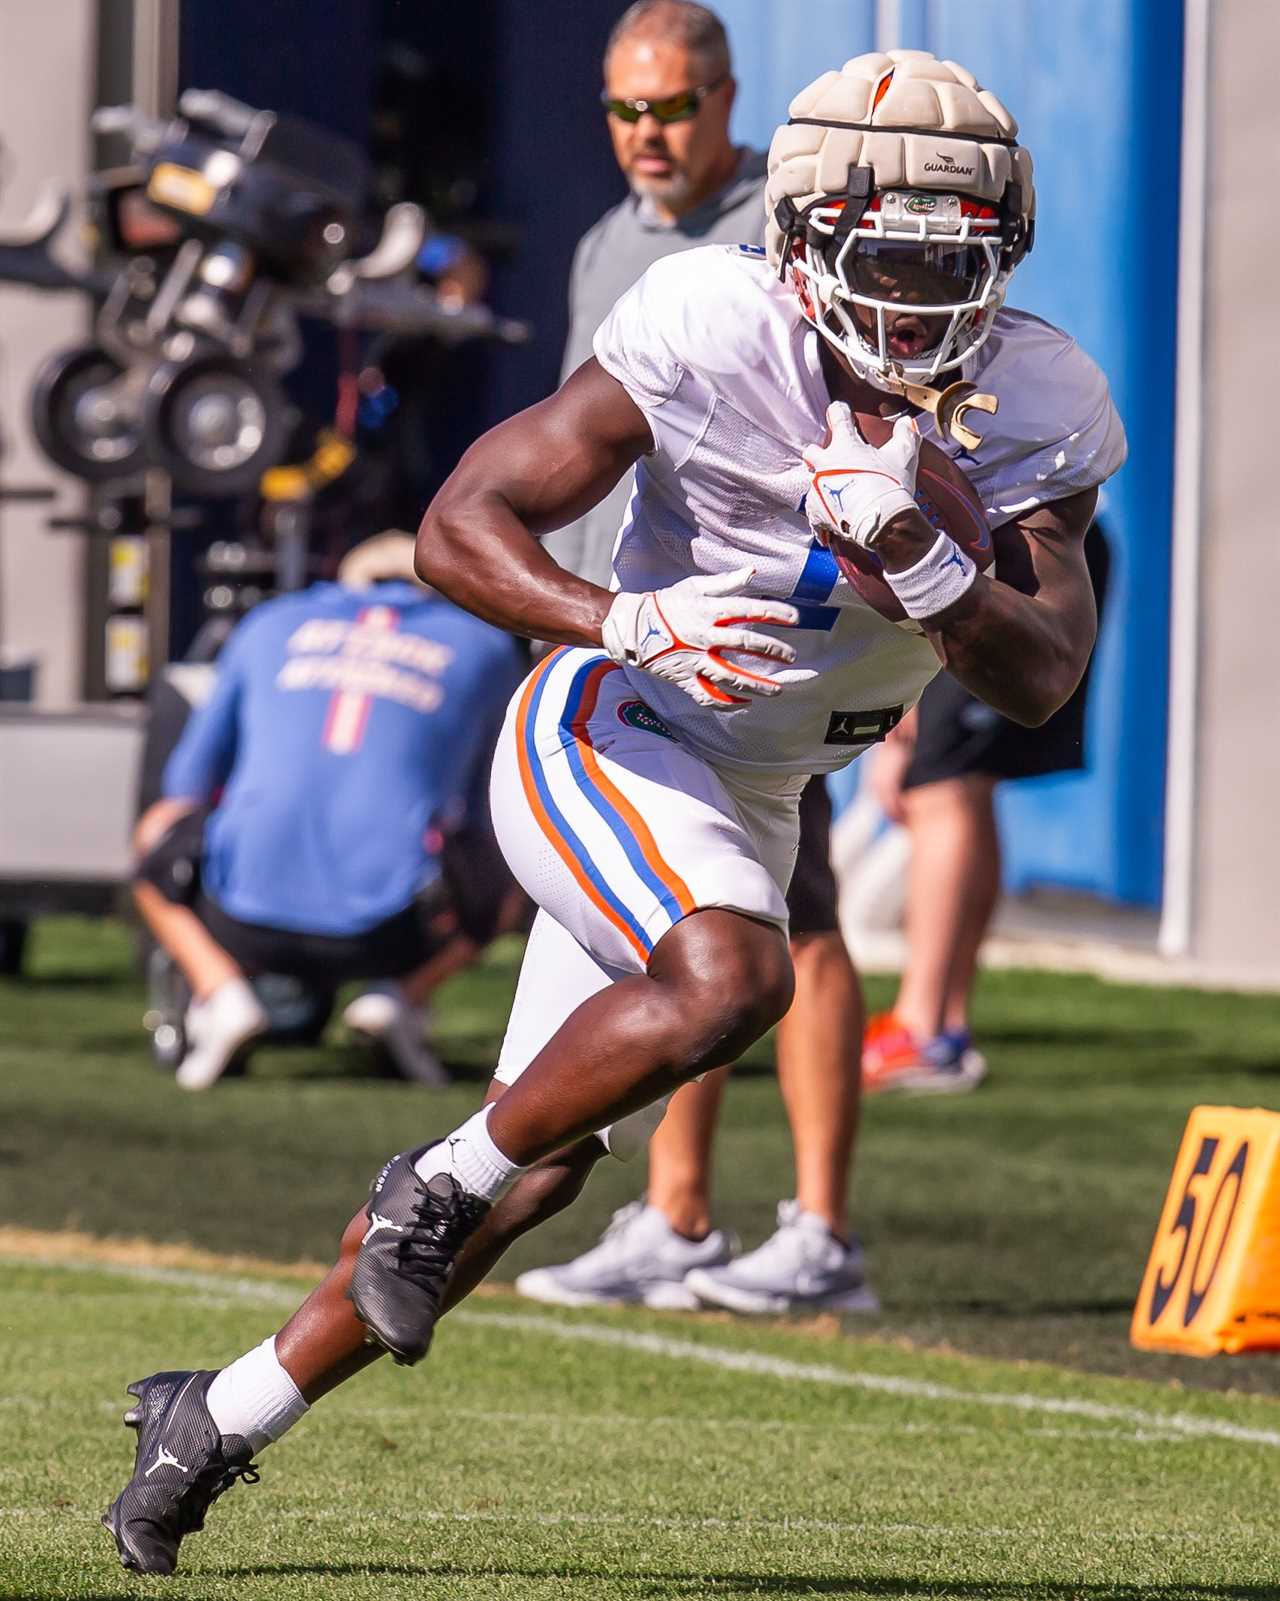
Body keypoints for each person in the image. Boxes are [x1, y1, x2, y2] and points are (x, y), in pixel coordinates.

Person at [104, 48, 1126, 1576]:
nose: (920, 304)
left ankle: (215, 1416)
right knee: (733, 977)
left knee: (538, 1173)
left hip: (758, 784)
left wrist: (922, 559)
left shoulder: (1037, 396)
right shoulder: (714, 323)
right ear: (800, 248)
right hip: (614, 725)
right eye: (887, 260)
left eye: (953, 262)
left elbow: (1043, 670)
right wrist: (619, 618)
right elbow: (460, 525)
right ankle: (425, 1185)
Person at [523, 0, 871, 1315]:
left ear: (728, 101)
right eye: (624, 109)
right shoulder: (609, 240)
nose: (645, 133)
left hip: (761, 646)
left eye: (669, 106)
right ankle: (674, 1215)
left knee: (807, 920)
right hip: (626, 645)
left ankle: (823, 1237)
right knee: (675, 931)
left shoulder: (781, 232)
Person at [131, 532, 524, 1090]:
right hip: (398, 928)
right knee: (511, 864)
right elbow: (488, 804)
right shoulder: (482, 646)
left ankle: (221, 992)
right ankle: (399, 999)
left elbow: (186, 782)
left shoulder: (270, 622)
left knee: (157, 828)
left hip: (238, 916)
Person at [861, 526, 1111, 1093]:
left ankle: (923, 1028)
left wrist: (903, 685)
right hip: (1003, 553)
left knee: (942, 788)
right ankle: (942, 1026)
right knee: (963, 785)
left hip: (995, 560)